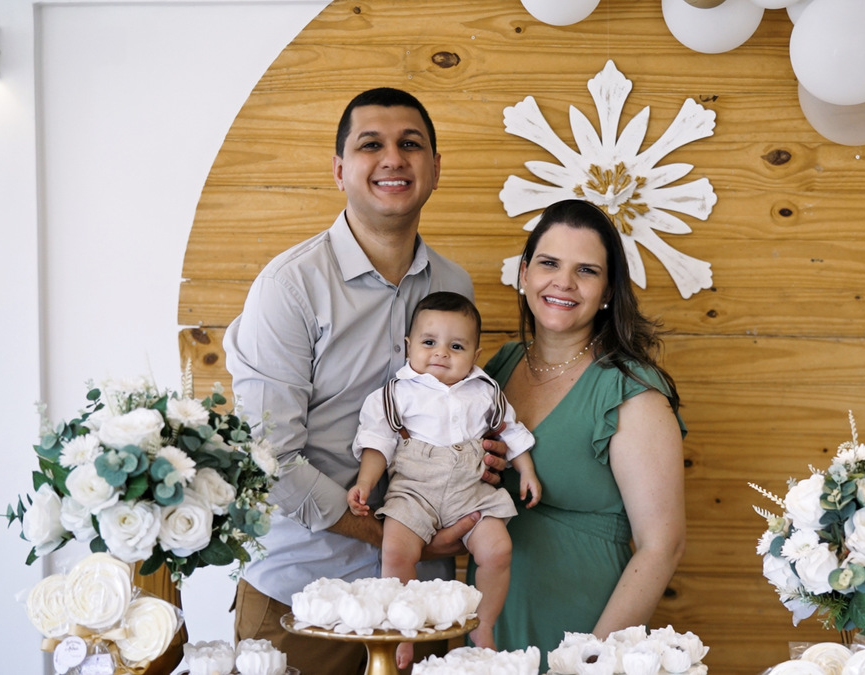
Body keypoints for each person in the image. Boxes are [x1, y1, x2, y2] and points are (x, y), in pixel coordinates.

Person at [223, 87, 507, 674]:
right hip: (303, 593)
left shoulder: (454, 285)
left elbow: (454, 407)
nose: (393, 159)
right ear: (339, 170)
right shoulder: (289, 287)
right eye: (370, 145)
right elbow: (269, 458)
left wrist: (482, 452)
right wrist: (394, 534)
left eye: (410, 144)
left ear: (435, 169)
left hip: (423, 599)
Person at [470, 198, 688, 669]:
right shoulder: (499, 366)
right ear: (524, 273)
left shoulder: (631, 390)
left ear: (608, 290)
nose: (563, 282)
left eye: (586, 270)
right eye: (549, 263)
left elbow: (662, 546)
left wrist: (591, 660)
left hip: (584, 630)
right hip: (492, 628)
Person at [347, 290, 541, 668]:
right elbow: (377, 444)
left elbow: (512, 431)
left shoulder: (485, 392)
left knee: (498, 550)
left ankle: (483, 625)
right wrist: (365, 484)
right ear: (408, 345)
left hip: (471, 491)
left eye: (456, 346)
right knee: (396, 552)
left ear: (475, 354)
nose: (441, 353)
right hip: (414, 491)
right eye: (429, 343)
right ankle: (401, 629)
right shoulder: (395, 394)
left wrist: (527, 471)